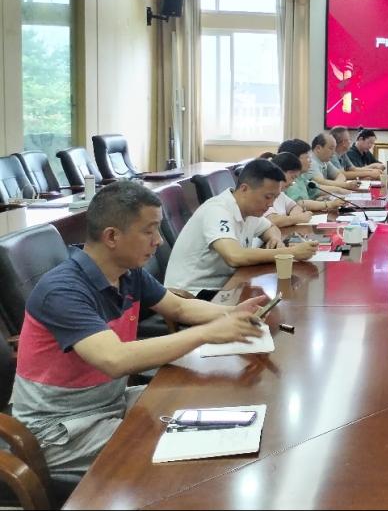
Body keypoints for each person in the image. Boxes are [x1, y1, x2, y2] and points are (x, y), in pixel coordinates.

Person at [11, 181, 269, 475]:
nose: (158, 241)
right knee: (193, 450)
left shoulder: (128, 273)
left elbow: (180, 308)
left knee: (205, 402)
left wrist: (232, 313)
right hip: (58, 430)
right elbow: (115, 359)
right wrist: (206, 333)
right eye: (149, 231)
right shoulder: (63, 290)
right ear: (112, 236)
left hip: (110, 403)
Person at [164, 159, 317, 297]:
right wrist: (291, 252)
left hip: (225, 286)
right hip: (191, 295)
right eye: (267, 197)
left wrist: (275, 239)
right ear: (244, 189)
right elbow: (234, 256)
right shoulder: (217, 210)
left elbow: (270, 227)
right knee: (270, 308)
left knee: (274, 302)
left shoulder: (250, 210)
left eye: (275, 198)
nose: (271, 204)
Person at [263, 153, 316, 228]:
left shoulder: (280, 193)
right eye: (292, 177)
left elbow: (296, 206)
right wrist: (297, 219)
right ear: (280, 172)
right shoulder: (263, 193)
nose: (292, 183)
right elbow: (272, 220)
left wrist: (293, 217)